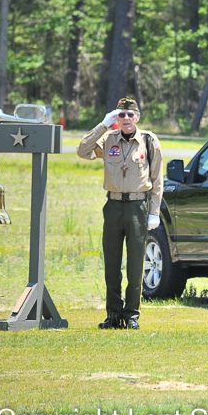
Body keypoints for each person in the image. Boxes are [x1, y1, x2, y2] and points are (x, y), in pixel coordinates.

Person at [77, 97, 163, 330]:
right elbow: (83, 150)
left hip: (137, 206)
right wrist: (103, 125)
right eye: (121, 115)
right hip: (113, 205)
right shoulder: (108, 139)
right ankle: (113, 314)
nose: (126, 119)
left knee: (135, 264)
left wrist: (154, 212)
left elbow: (157, 180)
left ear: (137, 117)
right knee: (112, 263)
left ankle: (132, 314)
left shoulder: (148, 140)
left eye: (130, 115)